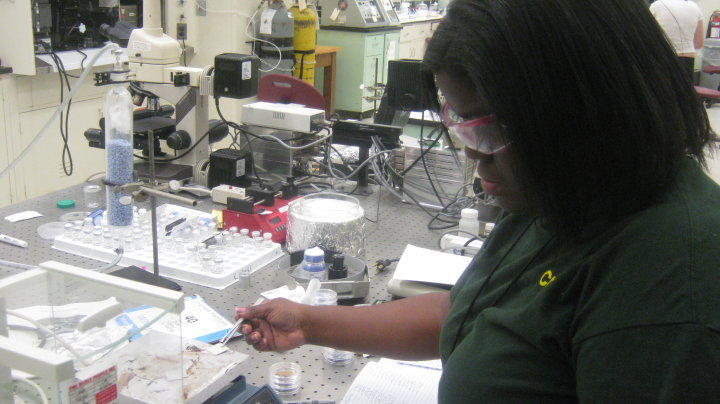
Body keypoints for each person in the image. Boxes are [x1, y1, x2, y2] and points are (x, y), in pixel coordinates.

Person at [236, 0, 720, 401]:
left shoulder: (673, 287)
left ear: (581, 111)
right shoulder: (565, 193)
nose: (472, 155)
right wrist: (310, 322)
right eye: (460, 123)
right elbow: (472, 312)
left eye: (490, 129)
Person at [650, 0, 705, 80]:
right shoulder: (694, 7)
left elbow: (648, 39)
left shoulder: (656, 6)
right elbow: (698, 43)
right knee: (683, 91)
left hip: (662, 58)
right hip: (687, 60)